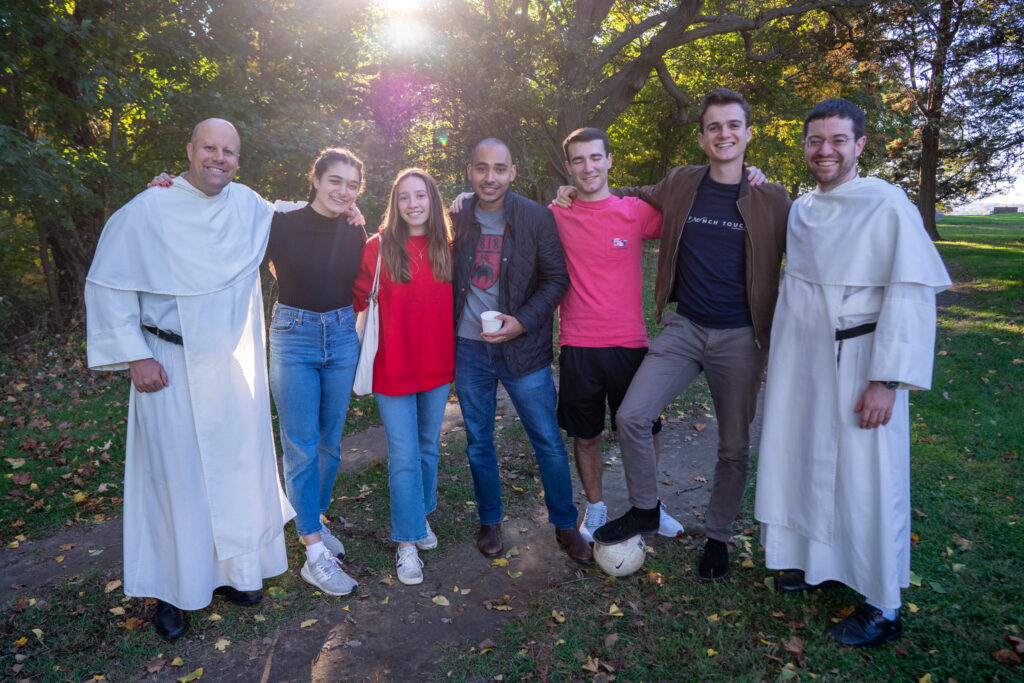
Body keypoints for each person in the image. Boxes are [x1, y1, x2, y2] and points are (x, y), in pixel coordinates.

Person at [85, 118, 294, 641]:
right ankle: (172, 592)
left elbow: (301, 218)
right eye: (209, 148)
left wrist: (348, 207)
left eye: (228, 151)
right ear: (189, 150)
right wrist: (135, 356)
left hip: (226, 367)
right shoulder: (148, 208)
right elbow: (108, 284)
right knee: (174, 480)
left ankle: (234, 575)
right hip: (167, 366)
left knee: (230, 471)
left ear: (238, 160)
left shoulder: (248, 206)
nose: (218, 158)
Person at [754, 99, 951, 648]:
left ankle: (884, 604)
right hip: (803, 363)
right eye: (816, 140)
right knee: (800, 460)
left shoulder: (886, 204)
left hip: (862, 363)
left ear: (860, 145)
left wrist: (887, 379)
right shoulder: (801, 208)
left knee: (869, 479)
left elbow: (910, 294)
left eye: (838, 140)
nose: (825, 150)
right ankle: (807, 561)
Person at [581, 89, 792, 584]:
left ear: (748, 133)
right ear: (702, 137)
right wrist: (577, 190)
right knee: (632, 414)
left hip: (741, 337)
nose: (724, 134)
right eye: (714, 127)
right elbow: (622, 194)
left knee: (734, 446)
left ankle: (717, 536)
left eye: (733, 125)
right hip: (684, 327)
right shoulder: (680, 182)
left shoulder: (773, 198)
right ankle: (646, 508)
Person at [451, 138, 592, 564]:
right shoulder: (457, 218)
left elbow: (556, 280)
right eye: (481, 168)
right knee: (479, 441)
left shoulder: (536, 218)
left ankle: (565, 524)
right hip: (469, 349)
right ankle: (490, 520)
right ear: (471, 172)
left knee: (547, 440)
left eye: (499, 169)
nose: (489, 177)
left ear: (512, 172)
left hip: (523, 350)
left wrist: (522, 322)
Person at [545, 127, 686, 543]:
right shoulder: (556, 215)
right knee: (586, 435)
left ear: (609, 160)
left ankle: (650, 506)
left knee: (644, 430)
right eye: (578, 160)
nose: (588, 167)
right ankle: (597, 507)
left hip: (630, 343)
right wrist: (463, 203)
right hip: (577, 344)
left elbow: (686, 214)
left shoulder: (635, 211)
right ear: (569, 167)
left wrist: (750, 177)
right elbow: (507, 217)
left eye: (595, 158)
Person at [266, 148, 366, 597]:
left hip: (343, 335)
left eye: (352, 184)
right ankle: (313, 554)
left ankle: (313, 519)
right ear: (317, 178)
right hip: (294, 336)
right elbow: (222, 219)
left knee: (330, 444)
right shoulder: (279, 224)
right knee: (301, 447)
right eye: (336, 181)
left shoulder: (355, 230)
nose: (343, 191)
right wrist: (173, 188)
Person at [353, 168, 455, 585]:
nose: (413, 204)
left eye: (421, 196)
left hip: (437, 365)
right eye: (404, 197)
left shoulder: (448, 247)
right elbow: (354, 297)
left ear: (433, 201)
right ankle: (407, 543)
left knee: (429, 446)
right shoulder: (377, 248)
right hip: (392, 367)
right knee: (404, 454)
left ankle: (420, 515)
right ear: (395, 204)